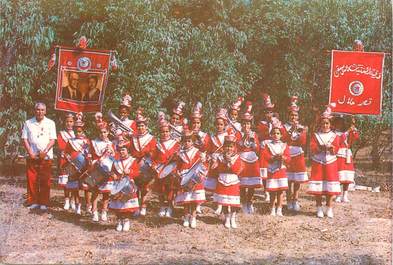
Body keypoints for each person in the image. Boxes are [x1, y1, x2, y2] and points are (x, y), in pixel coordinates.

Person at [22, 102, 56, 211]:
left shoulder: (51, 123)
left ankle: (44, 202)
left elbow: (53, 140)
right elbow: (25, 139)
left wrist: (45, 151)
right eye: (38, 109)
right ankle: (33, 201)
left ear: (45, 111)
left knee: (45, 179)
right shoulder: (28, 123)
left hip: (46, 155)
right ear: (34, 110)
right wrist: (30, 152)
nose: (40, 112)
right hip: (32, 155)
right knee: (32, 179)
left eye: (42, 110)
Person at [308, 104, 341, 218]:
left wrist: (332, 148)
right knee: (318, 187)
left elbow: (337, 148)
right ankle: (319, 208)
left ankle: (329, 207)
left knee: (330, 186)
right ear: (320, 124)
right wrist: (319, 148)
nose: (325, 125)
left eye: (327, 123)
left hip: (330, 162)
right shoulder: (315, 135)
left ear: (330, 124)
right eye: (323, 123)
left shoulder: (335, 136)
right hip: (318, 162)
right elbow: (312, 147)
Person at [174, 128, 207, 228]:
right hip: (184, 177)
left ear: (193, 142)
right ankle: (186, 216)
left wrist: (203, 160)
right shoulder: (180, 153)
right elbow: (177, 166)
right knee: (186, 200)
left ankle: (193, 217)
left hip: (194, 178)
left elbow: (203, 165)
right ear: (182, 142)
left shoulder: (197, 152)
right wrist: (178, 173)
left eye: (189, 141)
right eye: (185, 141)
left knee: (194, 200)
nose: (187, 143)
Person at [151, 112, 180, 217]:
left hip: (171, 170)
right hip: (160, 170)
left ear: (170, 132)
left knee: (170, 190)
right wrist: (154, 166)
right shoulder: (157, 145)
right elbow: (153, 158)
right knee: (161, 190)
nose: (165, 133)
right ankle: (162, 206)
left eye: (167, 131)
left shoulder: (175, 144)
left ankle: (170, 207)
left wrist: (176, 157)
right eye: (163, 132)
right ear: (160, 133)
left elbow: (179, 159)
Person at [282, 96, 308, 212]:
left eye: (295, 115)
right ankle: (288, 199)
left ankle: (295, 199)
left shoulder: (302, 128)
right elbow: (284, 139)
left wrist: (300, 131)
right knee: (288, 179)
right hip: (287, 152)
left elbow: (303, 142)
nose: (293, 117)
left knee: (297, 179)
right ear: (288, 116)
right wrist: (291, 130)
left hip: (298, 153)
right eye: (291, 115)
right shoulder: (284, 127)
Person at [211, 130, 243, 228]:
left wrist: (230, 163)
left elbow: (237, 170)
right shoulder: (220, 157)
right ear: (224, 147)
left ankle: (233, 218)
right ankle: (227, 218)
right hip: (223, 179)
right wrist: (223, 163)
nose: (229, 148)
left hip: (233, 180)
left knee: (233, 202)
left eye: (231, 146)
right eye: (227, 146)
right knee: (224, 201)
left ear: (234, 148)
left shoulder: (237, 157)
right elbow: (218, 169)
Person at [62, 113, 92, 215]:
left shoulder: (87, 141)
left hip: (85, 166)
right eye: (76, 131)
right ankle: (78, 205)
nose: (78, 133)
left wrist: (89, 159)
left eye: (80, 131)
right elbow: (65, 152)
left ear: (83, 131)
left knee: (86, 186)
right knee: (75, 187)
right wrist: (68, 157)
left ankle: (88, 206)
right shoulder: (70, 141)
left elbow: (90, 153)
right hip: (74, 165)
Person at [129, 109, 157, 216]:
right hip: (136, 163)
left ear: (146, 126)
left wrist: (148, 155)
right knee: (135, 186)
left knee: (145, 187)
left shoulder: (151, 138)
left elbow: (154, 152)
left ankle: (143, 206)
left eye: (142, 126)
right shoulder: (133, 138)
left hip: (146, 164)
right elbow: (131, 151)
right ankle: (136, 207)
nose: (140, 128)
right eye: (139, 126)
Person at [261, 118, 291, 217]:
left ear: (281, 135)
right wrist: (273, 158)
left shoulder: (284, 145)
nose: (276, 135)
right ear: (271, 134)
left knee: (280, 190)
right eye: (274, 133)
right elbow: (265, 156)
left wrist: (283, 157)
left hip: (281, 169)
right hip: (272, 170)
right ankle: (272, 208)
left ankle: (279, 208)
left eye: (278, 133)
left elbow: (288, 158)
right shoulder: (268, 145)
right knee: (273, 191)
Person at [236, 102, 262, 214]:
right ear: (241, 124)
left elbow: (257, 148)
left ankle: (249, 201)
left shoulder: (254, 134)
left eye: (248, 124)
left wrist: (253, 142)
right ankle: (242, 201)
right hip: (242, 159)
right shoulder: (237, 134)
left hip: (252, 159)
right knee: (242, 184)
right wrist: (243, 138)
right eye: (244, 124)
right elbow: (236, 147)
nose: (246, 126)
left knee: (251, 184)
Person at [109, 142, 140, 232]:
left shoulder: (132, 160)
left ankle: (126, 221)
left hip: (128, 184)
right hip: (118, 184)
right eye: (120, 150)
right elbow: (112, 171)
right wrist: (113, 175)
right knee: (118, 204)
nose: (121, 152)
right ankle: (119, 221)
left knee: (126, 204)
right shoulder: (116, 162)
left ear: (127, 151)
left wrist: (130, 171)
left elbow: (137, 172)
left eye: (123, 150)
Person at [90, 121, 116, 222]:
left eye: (105, 132)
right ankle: (94, 211)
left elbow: (114, 157)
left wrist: (111, 151)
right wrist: (94, 161)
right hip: (97, 168)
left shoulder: (111, 143)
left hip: (108, 169)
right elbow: (91, 155)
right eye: (101, 132)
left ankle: (104, 211)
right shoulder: (94, 143)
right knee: (95, 192)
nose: (103, 134)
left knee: (106, 192)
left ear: (108, 132)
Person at [204, 108, 228, 214]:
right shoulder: (212, 137)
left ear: (225, 125)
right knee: (215, 183)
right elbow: (209, 150)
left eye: (221, 124)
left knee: (222, 182)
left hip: (223, 161)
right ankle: (216, 201)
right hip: (213, 161)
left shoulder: (227, 136)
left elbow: (230, 150)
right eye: (217, 124)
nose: (219, 126)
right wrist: (209, 157)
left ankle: (220, 205)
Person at [332, 116, 359, 203]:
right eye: (338, 123)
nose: (339, 125)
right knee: (340, 176)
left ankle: (345, 195)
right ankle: (338, 195)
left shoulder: (347, 132)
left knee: (347, 176)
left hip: (347, 154)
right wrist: (347, 131)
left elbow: (356, 138)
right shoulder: (334, 133)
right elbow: (339, 141)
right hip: (339, 154)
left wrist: (353, 126)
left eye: (341, 123)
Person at [256, 93, 276, 202]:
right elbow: (262, 135)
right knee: (264, 171)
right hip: (264, 147)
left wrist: (274, 124)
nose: (269, 114)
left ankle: (272, 188)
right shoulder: (261, 123)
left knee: (273, 169)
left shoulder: (276, 122)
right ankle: (266, 191)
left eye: (270, 111)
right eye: (267, 112)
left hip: (273, 147)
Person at [190, 102, 209, 214]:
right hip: (190, 160)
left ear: (200, 124)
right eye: (194, 123)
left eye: (198, 123)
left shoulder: (204, 135)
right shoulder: (187, 134)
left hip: (200, 160)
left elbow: (207, 148)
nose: (195, 125)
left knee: (199, 182)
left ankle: (197, 204)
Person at [57, 113, 75, 210]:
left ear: (74, 122)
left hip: (74, 159)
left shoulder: (77, 133)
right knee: (66, 180)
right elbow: (61, 145)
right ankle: (67, 199)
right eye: (67, 121)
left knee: (73, 179)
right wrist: (66, 154)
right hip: (65, 158)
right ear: (64, 122)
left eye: (71, 121)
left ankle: (72, 200)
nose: (69, 123)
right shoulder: (61, 134)